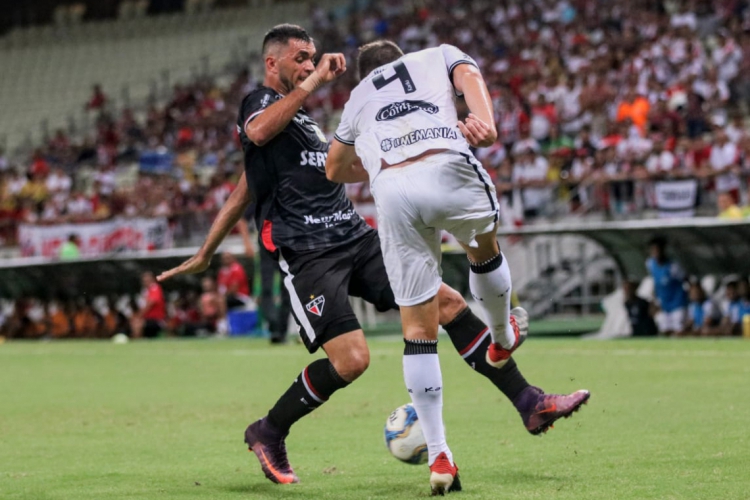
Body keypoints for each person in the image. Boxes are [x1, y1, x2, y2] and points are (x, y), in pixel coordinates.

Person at [157, 25, 588, 492]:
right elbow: (258, 134)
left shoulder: (301, 122)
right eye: (301, 58)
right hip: (307, 251)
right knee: (352, 360)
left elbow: (251, 183)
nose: (309, 65)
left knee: (445, 303)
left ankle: (529, 401)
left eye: (312, 58)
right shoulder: (259, 105)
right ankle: (269, 430)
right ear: (272, 62)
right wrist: (313, 82)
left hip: (354, 236)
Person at [325, 39, 577, 491]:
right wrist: (486, 124)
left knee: (418, 331)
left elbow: (334, 168)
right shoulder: (435, 55)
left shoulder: (357, 97)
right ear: (401, 56)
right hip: (444, 165)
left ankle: (440, 457)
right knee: (484, 250)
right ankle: (501, 338)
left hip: (392, 190)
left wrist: (380, 161)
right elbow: (468, 75)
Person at [646, 237, 688, 336]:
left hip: (677, 304)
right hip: (663, 305)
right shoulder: (650, 264)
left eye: (658, 249)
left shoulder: (673, 267)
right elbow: (655, 283)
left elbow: (686, 281)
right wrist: (653, 301)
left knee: (678, 332)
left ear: (663, 250)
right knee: (664, 331)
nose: (655, 252)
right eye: (653, 249)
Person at [132, 271, 166, 338]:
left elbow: (150, 304)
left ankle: (137, 340)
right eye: (144, 281)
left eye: (147, 280)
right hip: (148, 319)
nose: (145, 282)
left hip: (156, 319)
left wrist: (138, 316)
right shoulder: (145, 291)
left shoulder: (154, 288)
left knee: (137, 323)